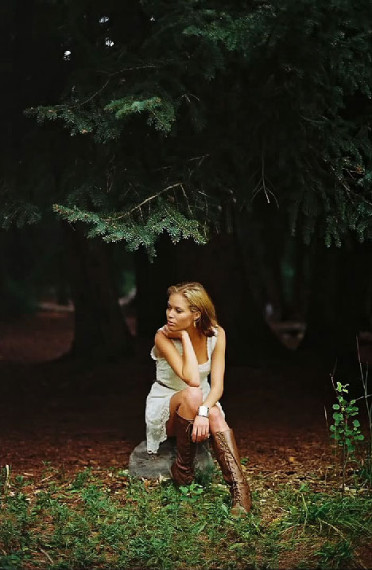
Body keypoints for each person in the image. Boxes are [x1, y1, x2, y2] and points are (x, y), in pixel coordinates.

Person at [145, 281, 251, 515]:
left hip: (203, 402)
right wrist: (183, 336)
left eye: (178, 310)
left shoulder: (217, 334)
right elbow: (192, 379)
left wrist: (203, 411)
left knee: (212, 411)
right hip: (168, 403)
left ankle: (240, 491)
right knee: (194, 393)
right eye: (169, 307)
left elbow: (217, 386)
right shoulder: (162, 336)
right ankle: (183, 471)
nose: (170, 315)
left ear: (196, 314)